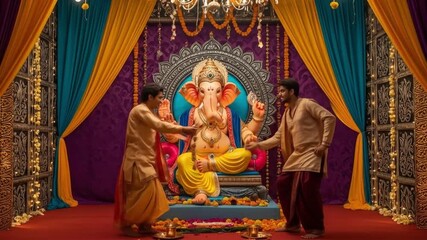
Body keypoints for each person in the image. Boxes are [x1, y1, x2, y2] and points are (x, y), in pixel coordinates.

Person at [246, 78, 336, 239]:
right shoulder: (288, 112)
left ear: (292, 91)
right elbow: (278, 137)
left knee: (307, 188)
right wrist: (257, 145)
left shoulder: (307, 104)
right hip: (298, 154)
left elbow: (329, 118)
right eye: (279, 91)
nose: (279, 94)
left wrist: (324, 144)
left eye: (282, 91)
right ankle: (293, 223)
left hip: (312, 153)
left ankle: (315, 228)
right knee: (283, 183)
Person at [113, 83, 197, 237]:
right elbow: (159, 125)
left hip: (146, 159)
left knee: (152, 193)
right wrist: (184, 129)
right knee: (140, 194)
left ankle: (144, 224)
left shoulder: (148, 113)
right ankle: (126, 223)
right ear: (150, 97)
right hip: (137, 160)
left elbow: (159, 126)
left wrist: (178, 129)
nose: (161, 101)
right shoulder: (140, 111)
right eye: (159, 98)